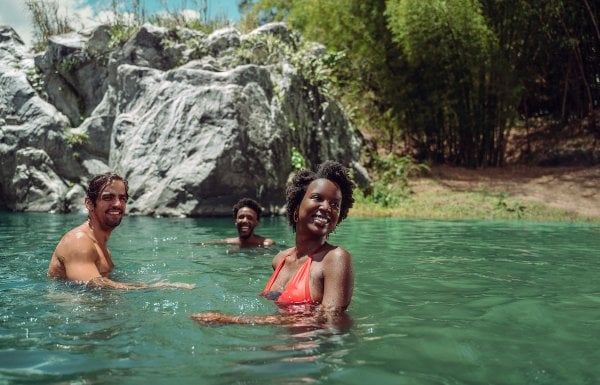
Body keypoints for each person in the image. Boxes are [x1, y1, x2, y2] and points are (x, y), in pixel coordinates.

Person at [192, 161, 355, 327]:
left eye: (335, 204)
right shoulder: (280, 259)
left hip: (310, 351)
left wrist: (232, 320)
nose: (327, 207)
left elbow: (330, 319)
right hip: (277, 343)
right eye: (317, 198)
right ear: (296, 209)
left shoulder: (335, 259)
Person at [48, 172, 194, 289]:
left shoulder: (102, 248)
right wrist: (156, 287)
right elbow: (92, 285)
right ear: (89, 203)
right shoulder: (78, 241)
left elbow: (106, 283)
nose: (117, 204)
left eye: (122, 198)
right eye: (108, 198)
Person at [197, 198, 275, 247]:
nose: (245, 221)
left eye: (250, 218)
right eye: (241, 217)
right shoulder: (228, 242)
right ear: (236, 221)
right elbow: (205, 244)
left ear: (256, 222)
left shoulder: (267, 244)